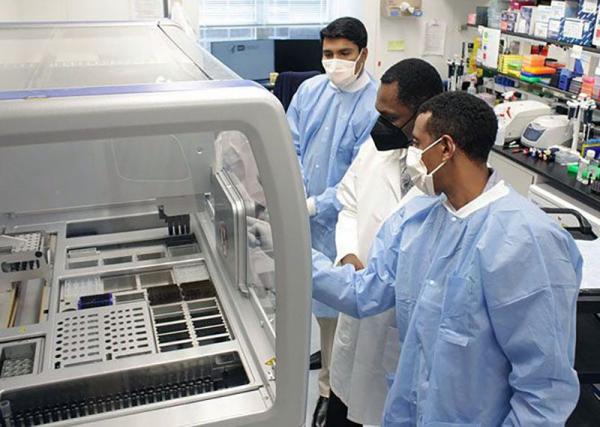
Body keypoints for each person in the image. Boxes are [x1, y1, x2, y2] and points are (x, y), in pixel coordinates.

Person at [312, 92, 582, 426]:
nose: (411, 155)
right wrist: (292, 253)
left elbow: (544, 388)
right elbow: (365, 291)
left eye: (416, 143)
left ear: (445, 148)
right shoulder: (416, 217)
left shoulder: (526, 240)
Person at [327, 59, 443, 427]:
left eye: (390, 116)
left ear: (425, 112)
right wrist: (347, 252)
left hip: (398, 324)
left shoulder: (444, 173)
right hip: (358, 307)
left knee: (384, 409)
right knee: (344, 404)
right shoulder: (374, 151)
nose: (380, 125)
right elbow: (349, 203)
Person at [286, 16, 378, 426]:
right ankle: (323, 360)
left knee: (341, 309)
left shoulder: (376, 104)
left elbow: (356, 176)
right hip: (302, 212)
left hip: (344, 221)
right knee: (313, 304)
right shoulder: (309, 90)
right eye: (328, 54)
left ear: (362, 55)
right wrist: (288, 191)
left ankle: (328, 390)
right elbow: (290, 143)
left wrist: (312, 205)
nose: (335, 62)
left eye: (344, 54)